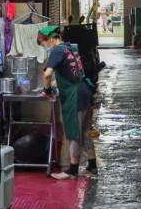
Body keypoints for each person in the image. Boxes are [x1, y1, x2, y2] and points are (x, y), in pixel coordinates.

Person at [38, 25, 97, 179]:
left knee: (73, 133)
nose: (45, 47)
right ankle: (92, 166)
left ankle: (72, 170)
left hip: (74, 97)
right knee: (84, 132)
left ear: (50, 39)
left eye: (44, 44)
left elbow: (47, 74)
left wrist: (47, 90)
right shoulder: (70, 48)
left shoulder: (57, 50)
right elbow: (73, 72)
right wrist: (56, 84)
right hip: (84, 92)